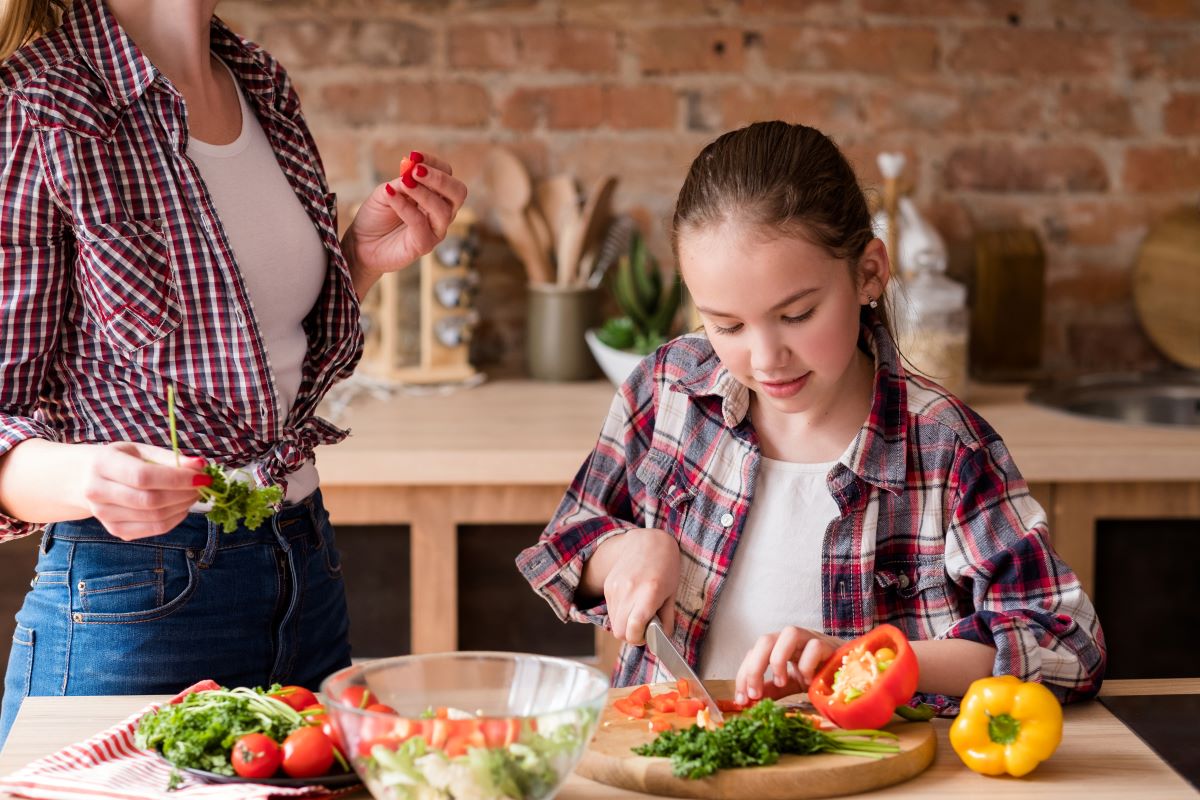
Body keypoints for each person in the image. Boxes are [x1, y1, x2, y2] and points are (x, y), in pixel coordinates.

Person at [517, 121, 1104, 714]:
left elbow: (1065, 642)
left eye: (797, 315)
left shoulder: (947, 448)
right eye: (727, 325)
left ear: (869, 273)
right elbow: (565, 543)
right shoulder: (668, 389)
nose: (766, 359)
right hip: (677, 765)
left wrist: (865, 658)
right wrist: (627, 552)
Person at [0, 0, 467, 744]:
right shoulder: (38, 102)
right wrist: (86, 476)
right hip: (137, 599)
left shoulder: (258, 80)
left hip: (305, 568)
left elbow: (258, 362)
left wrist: (360, 262)